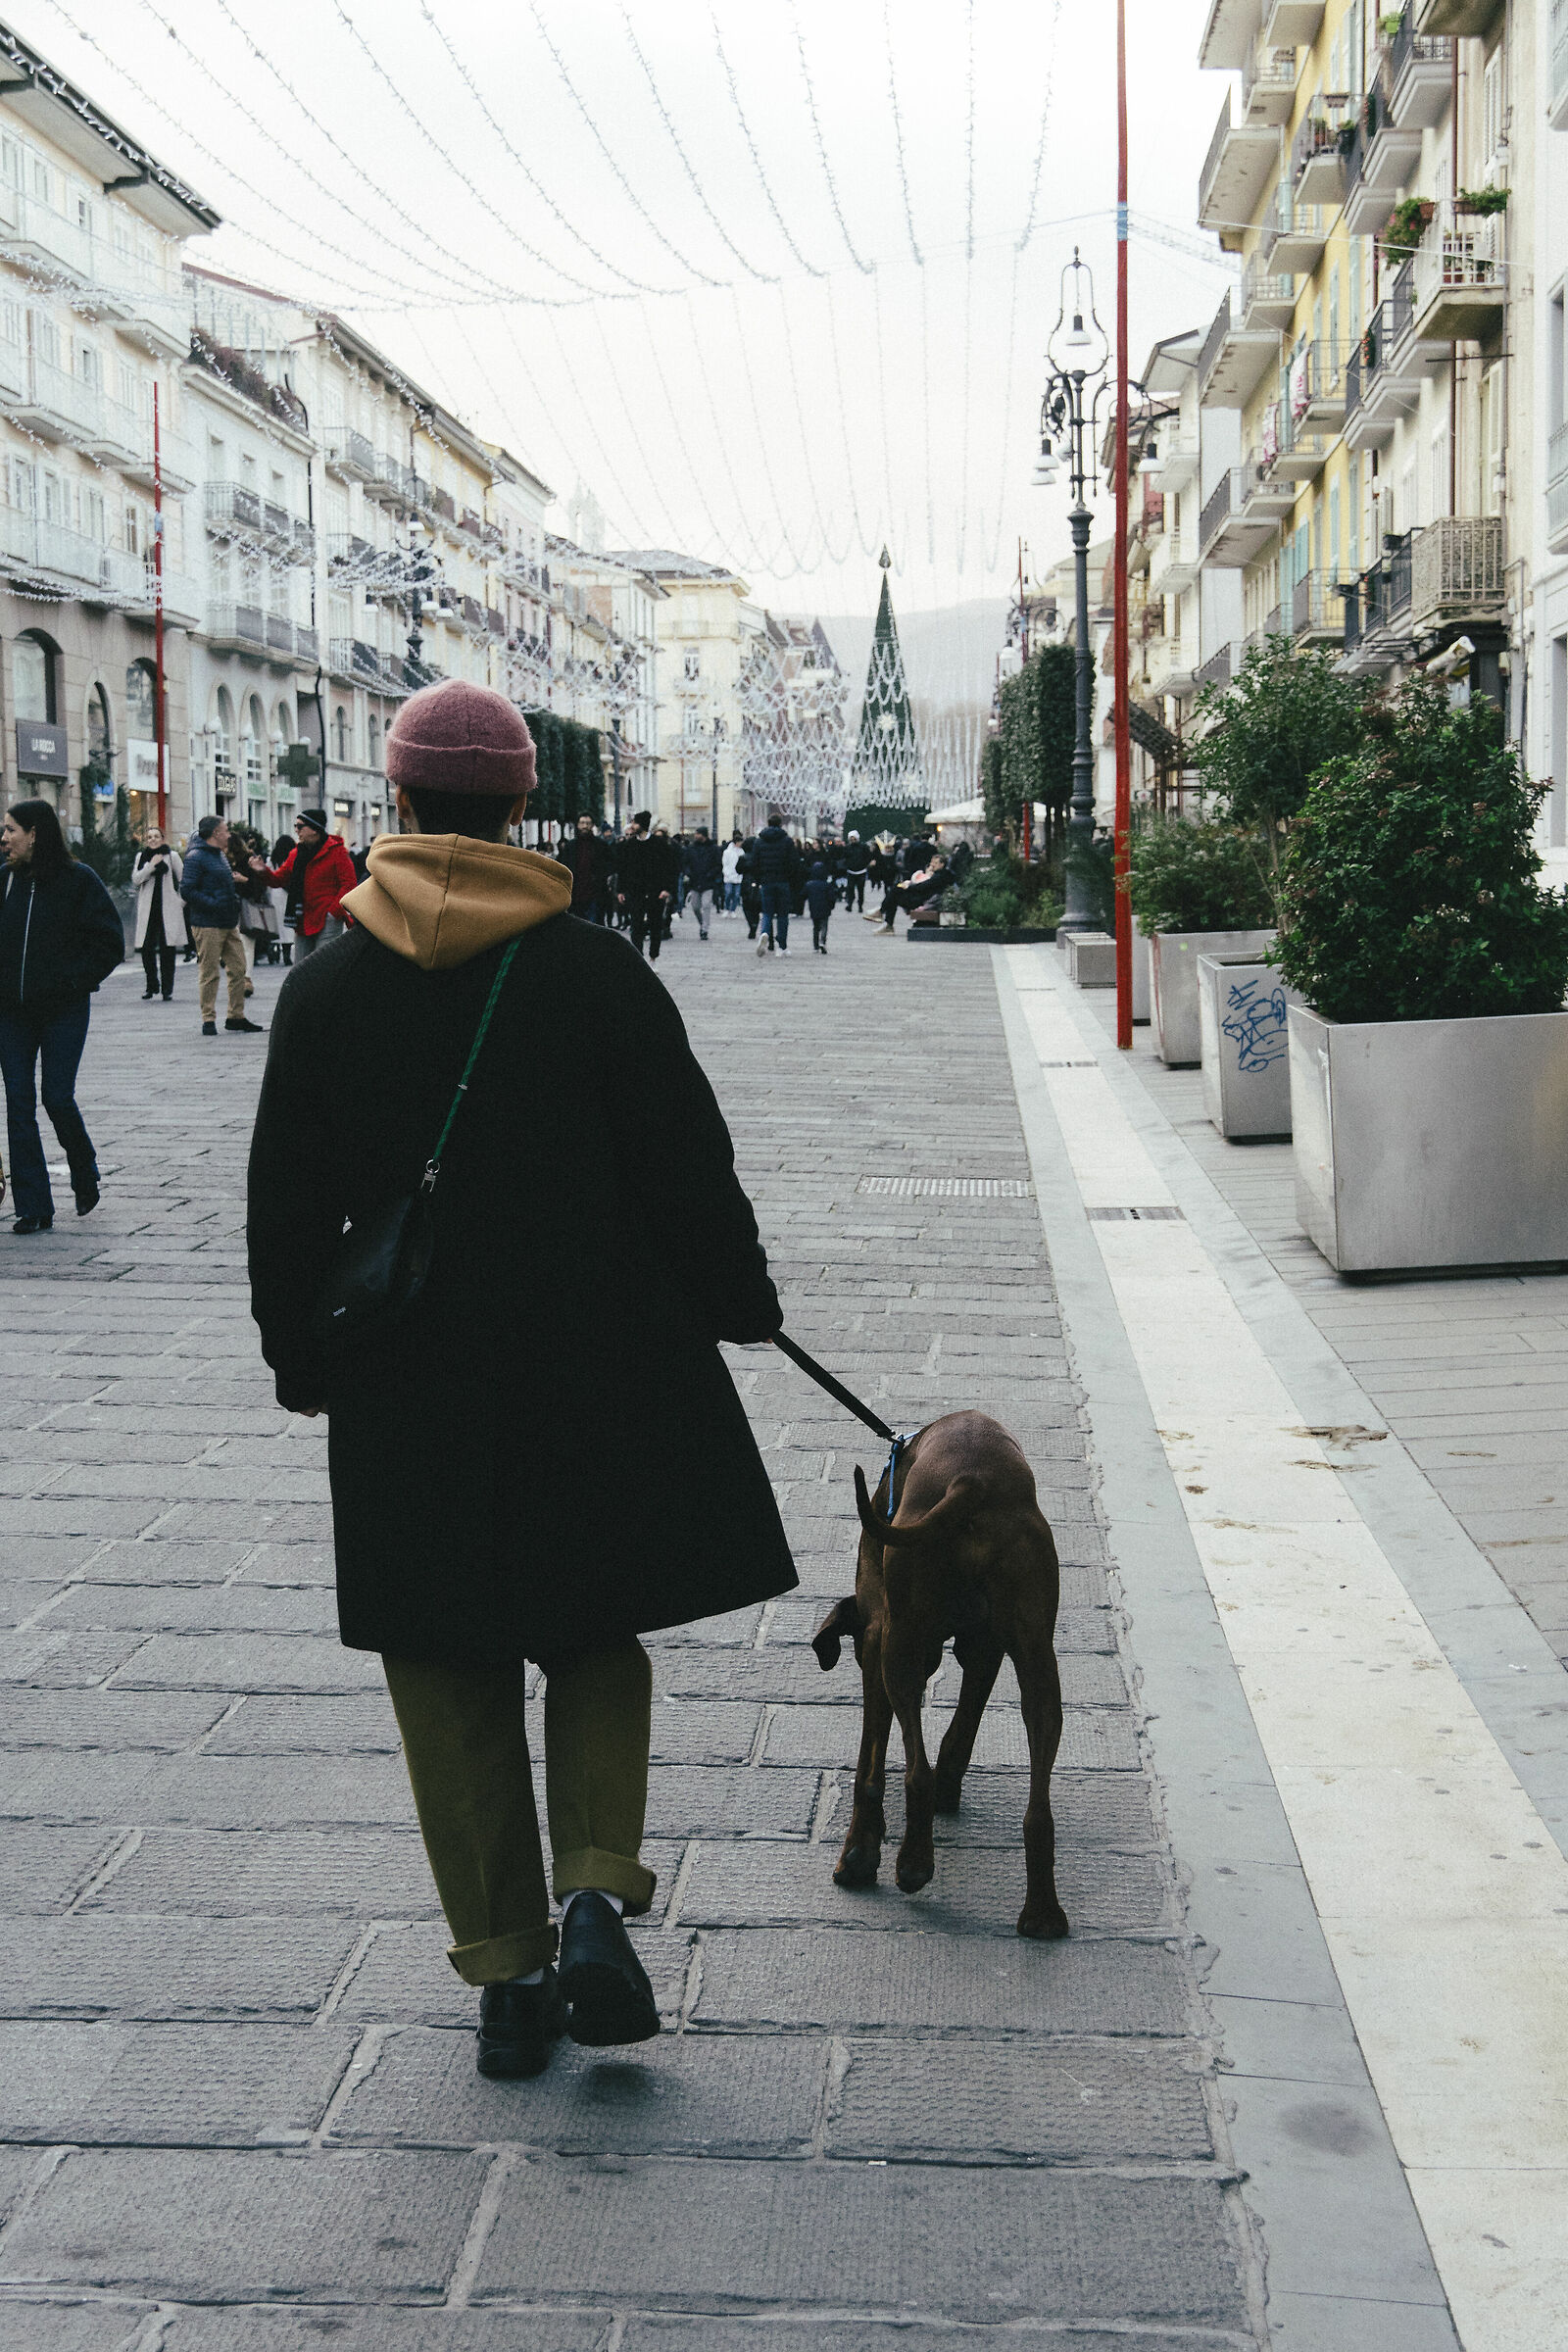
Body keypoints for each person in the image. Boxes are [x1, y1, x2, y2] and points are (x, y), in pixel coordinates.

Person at [247, 678, 795, 2081]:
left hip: (406, 1380)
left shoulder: (324, 986)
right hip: (593, 1361)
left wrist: (302, 1364)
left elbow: (282, 1209)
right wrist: (742, 1307)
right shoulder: (597, 971)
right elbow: (689, 1168)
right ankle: (597, 1890)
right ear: (520, 805)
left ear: (401, 803)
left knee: (447, 1663)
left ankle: (504, 1977)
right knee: (593, 1626)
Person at [0, 798, 123, 1234]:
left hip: (63, 1011)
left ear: (34, 833)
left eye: (10, 830)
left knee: (56, 1096)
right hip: (11, 1014)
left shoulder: (78, 880)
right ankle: (33, 1206)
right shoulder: (5, 882)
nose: (4, 838)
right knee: (18, 1101)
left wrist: (72, 982)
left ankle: (83, 1164)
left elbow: (110, 944)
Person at [180, 814, 263, 1037]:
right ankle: (208, 1018)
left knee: (238, 968)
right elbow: (187, 890)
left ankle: (236, 1016)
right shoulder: (196, 857)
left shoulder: (219, 855)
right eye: (225, 830)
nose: (229, 834)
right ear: (215, 833)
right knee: (209, 973)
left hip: (227, 921)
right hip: (207, 923)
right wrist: (214, 903)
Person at [253, 810, 356, 961]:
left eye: (300, 826)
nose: (296, 830)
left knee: (322, 965)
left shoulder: (337, 852)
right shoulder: (296, 853)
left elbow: (349, 884)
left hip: (326, 918)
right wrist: (263, 871)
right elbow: (279, 880)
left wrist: (333, 912)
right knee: (301, 968)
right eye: (296, 826)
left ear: (314, 829)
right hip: (302, 918)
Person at [131, 826, 182, 1002]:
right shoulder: (142, 857)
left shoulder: (172, 856)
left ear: (162, 838)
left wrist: (180, 902)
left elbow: (184, 880)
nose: (152, 840)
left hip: (167, 908)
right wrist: (151, 866)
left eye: (156, 836)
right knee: (146, 949)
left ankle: (167, 989)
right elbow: (136, 879)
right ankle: (151, 985)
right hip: (148, 909)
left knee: (168, 949)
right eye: (149, 837)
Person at [754, 808, 799, 958]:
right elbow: (793, 863)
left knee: (767, 912)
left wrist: (758, 879)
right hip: (783, 881)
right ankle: (782, 947)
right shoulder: (787, 841)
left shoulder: (759, 842)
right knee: (782, 915)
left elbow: (755, 862)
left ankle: (765, 933)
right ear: (781, 824)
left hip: (766, 881)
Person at [556, 812, 609, 925]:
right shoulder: (570, 846)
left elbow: (611, 863)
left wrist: (601, 876)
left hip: (595, 893)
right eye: (582, 823)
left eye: (588, 823)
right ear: (578, 825)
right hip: (576, 894)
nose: (585, 826)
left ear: (592, 825)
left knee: (595, 926)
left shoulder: (601, 845)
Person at [682, 827, 722, 942]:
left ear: (703, 835)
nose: (695, 836)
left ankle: (704, 929)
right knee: (695, 906)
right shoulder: (691, 849)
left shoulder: (713, 849)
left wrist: (711, 874)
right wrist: (688, 873)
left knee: (706, 905)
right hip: (694, 881)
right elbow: (685, 863)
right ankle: (702, 923)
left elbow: (718, 864)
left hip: (708, 882)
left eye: (697, 833)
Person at [805, 858, 840, 956]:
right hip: (825, 909)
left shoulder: (809, 884)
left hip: (814, 909)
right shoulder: (827, 885)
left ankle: (815, 946)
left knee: (815, 927)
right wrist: (831, 906)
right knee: (824, 926)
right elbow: (832, 897)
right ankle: (822, 942)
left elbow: (803, 895)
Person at [843, 831, 870, 913]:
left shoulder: (863, 847)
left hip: (861, 871)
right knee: (850, 889)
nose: (852, 839)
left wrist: (865, 865)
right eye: (851, 838)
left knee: (860, 890)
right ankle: (850, 904)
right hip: (851, 871)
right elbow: (845, 857)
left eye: (854, 838)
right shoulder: (847, 848)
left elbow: (868, 856)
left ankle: (860, 905)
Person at [721, 832, 744, 917]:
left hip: (738, 876)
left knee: (736, 895)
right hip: (729, 876)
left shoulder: (741, 851)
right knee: (728, 893)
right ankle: (726, 908)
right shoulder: (727, 852)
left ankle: (733, 910)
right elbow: (725, 864)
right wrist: (727, 873)